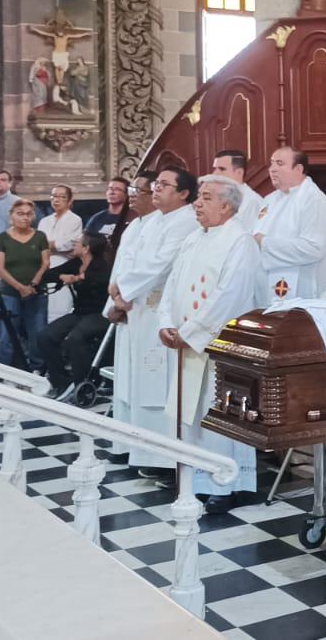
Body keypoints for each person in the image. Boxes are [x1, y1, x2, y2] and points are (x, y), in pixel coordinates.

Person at [157, 175, 260, 513]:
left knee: (219, 412)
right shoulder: (193, 238)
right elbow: (172, 284)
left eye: (206, 197)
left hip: (218, 345)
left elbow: (230, 295)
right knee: (191, 412)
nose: (197, 203)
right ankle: (195, 479)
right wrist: (166, 322)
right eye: (199, 196)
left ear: (226, 206)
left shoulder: (240, 241)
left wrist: (192, 332)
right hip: (184, 342)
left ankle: (226, 483)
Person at [106, 167, 199, 476]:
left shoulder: (186, 221)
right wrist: (118, 293)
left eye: (164, 185)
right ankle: (140, 449)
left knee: (158, 383)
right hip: (138, 308)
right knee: (139, 382)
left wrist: (124, 290)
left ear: (184, 193)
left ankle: (163, 458)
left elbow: (161, 265)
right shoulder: (153, 221)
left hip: (160, 310)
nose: (156, 189)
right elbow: (131, 261)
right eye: (156, 184)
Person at [255, 146, 326, 305]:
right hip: (265, 287)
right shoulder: (269, 200)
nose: (272, 169)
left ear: (298, 169)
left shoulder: (314, 200)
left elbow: (313, 248)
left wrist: (265, 243)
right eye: (271, 163)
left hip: (301, 290)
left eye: (279, 163)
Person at [41, 231, 114, 398]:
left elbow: (102, 279)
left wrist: (79, 278)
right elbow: (48, 275)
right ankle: (62, 382)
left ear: (86, 248)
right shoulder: (76, 263)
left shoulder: (102, 265)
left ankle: (82, 383)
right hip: (80, 313)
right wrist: (62, 276)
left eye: (78, 242)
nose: (74, 244)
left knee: (76, 337)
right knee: (46, 336)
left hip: (100, 314)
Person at [0, 199, 50, 370]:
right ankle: (6, 370)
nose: (25, 217)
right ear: (11, 216)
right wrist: (20, 288)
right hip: (9, 292)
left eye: (29, 214)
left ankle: (38, 369)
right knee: (7, 334)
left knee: (37, 332)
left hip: (36, 292)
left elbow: (45, 263)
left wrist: (33, 283)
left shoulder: (40, 236)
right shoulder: (1, 239)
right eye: (20, 214)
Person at [39, 185, 84, 322]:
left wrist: (51, 246)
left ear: (69, 201)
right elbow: (39, 245)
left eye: (62, 197)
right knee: (43, 309)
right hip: (44, 267)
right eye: (54, 196)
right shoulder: (44, 221)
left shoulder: (75, 219)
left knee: (61, 308)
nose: (56, 200)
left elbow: (69, 244)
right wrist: (55, 246)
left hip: (64, 266)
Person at [211, 148, 264, 236]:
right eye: (215, 168)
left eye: (222, 169)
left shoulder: (251, 202)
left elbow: (247, 237)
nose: (215, 173)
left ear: (239, 172)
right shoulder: (219, 196)